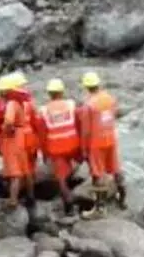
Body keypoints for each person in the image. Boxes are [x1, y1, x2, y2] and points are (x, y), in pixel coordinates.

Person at [78, 72, 125, 215]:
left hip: (96, 143)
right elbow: (115, 114)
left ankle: (100, 208)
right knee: (115, 169)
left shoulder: (88, 105)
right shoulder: (109, 99)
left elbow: (86, 131)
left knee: (97, 174)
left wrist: (84, 149)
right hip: (110, 138)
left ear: (86, 87)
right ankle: (123, 198)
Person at [37, 79, 82, 213]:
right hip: (73, 143)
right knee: (69, 167)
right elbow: (79, 123)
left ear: (49, 94)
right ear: (62, 92)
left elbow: (42, 135)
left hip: (56, 147)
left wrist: (44, 154)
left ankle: (68, 202)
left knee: (60, 177)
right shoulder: (71, 104)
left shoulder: (44, 110)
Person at [0, 74, 37, 209]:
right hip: (22, 137)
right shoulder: (21, 102)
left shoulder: (11, 103)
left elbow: (9, 121)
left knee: (15, 171)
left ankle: (13, 200)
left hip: (13, 138)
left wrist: (6, 129)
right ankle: (31, 197)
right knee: (25, 169)